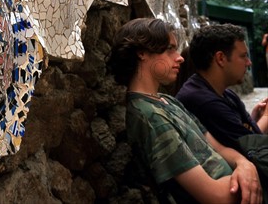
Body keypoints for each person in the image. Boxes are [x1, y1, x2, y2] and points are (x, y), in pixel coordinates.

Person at [108, 18, 262, 203]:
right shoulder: (150, 117)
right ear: (142, 53)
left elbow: (217, 146)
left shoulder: (168, 101)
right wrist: (248, 179)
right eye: (169, 49)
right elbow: (216, 196)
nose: (179, 57)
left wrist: (244, 164)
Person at [176, 24, 268, 152]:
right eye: (243, 56)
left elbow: (253, 138)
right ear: (221, 58)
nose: (249, 62)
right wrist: (266, 117)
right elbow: (257, 150)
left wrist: (254, 119)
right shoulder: (204, 102)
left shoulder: (226, 94)